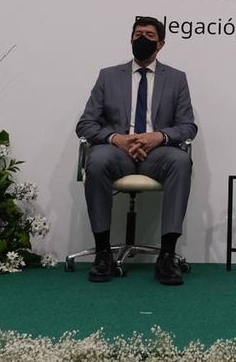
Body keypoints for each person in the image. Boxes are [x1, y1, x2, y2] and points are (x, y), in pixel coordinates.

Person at [76, 16, 198, 285]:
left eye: (149, 36)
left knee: (181, 162)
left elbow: (188, 126)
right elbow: (85, 124)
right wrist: (116, 138)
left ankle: (167, 256)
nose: (141, 39)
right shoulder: (108, 76)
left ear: (161, 44)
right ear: (130, 38)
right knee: (95, 161)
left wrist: (159, 136)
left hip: (157, 153)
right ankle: (103, 254)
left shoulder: (177, 79)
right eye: (137, 33)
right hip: (118, 151)